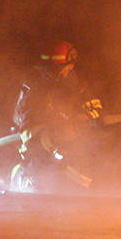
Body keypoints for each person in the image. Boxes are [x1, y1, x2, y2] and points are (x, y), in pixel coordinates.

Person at [9, 39, 102, 192]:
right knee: (40, 154)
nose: (71, 69)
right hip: (37, 133)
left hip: (63, 132)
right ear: (54, 67)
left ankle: (84, 190)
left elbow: (93, 104)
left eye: (71, 66)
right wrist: (54, 132)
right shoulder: (35, 85)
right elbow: (27, 123)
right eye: (67, 67)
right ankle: (24, 178)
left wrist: (84, 117)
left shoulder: (71, 80)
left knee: (82, 153)